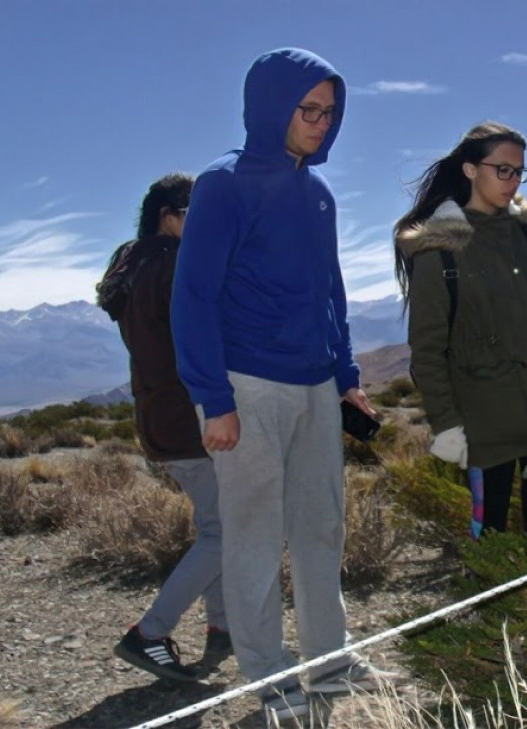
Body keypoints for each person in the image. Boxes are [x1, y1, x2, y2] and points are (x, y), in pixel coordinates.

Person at [170, 48, 392, 722]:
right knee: (254, 537)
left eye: (330, 111)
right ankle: (265, 676)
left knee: (322, 527)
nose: (321, 123)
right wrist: (214, 398)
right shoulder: (224, 185)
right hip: (248, 385)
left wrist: (347, 378)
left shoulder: (319, 195)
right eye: (308, 109)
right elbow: (194, 296)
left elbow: (332, 295)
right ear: (272, 106)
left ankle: (329, 660)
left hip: (317, 387)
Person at [393, 121, 527, 534]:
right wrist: (446, 424)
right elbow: (426, 350)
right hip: (485, 428)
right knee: (489, 540)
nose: (513, 181)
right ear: (469, 169)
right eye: (503, 169)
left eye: (519, 172)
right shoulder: (440, 249)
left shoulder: (525, 236)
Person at [97, 173, 230, 683]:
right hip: (190, 416)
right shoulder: (175, 266)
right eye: (196, 214)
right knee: (225, 531)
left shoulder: (134, 264)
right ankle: (149, 633)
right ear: (169, 216)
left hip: (159, 416)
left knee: (217, 524)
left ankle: (222, 626)